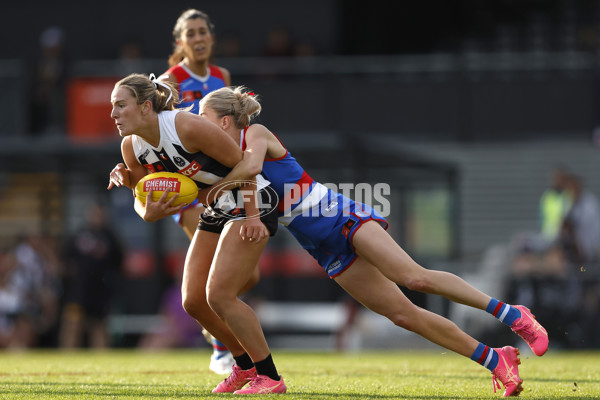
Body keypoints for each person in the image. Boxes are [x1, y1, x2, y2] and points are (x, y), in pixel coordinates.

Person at [192, 86, 551, 396]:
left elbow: (251, 168)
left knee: (413, 277)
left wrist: (197, 186)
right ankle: (496, 360)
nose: (196, 122)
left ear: (225, 121)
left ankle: (513, 314)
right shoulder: (222, 160)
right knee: (403, 315)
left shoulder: (254, 133)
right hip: (319, 244)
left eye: (202, 115)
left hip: (340, 217)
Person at [107, 73, 287, 394]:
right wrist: (146, 211)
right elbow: (141, 199)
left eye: (121, 105)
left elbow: (245, 166)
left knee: (219, 295)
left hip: (251, 200)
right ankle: (244, 366)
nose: (114, 114)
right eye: (113, 106)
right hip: (216, 209)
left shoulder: (185, 126)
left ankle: (270, 376)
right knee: (192, 302)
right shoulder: (130, 147)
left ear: (146, 107)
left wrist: (253, 216)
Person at [158, 9, 238, 372]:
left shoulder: (222, 77)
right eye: (190, 33)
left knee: (243, 273)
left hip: (222, 181)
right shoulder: (169, 80)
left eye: (203, 30)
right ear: (181, 42)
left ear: (211, 36)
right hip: (188, 183)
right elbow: (153, 128)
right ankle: (222, 345)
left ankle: (217, 328)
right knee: (207, 265)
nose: (198, 37)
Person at [59, 204, 123, 348]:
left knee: (99, 326)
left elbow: (118, 262)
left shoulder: (110, 237)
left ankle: (102, 362)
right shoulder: (79, 235)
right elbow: (66, 260)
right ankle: (67, 358)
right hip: (79, 290)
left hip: (100, 290)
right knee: (73, 325)